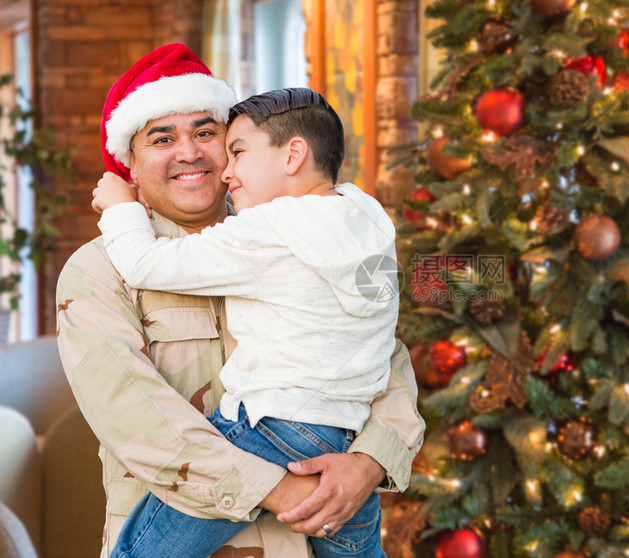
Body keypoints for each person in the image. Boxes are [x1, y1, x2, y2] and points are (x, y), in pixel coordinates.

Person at [56, 43, 423, 558]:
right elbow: (134, 416)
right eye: (162, 138)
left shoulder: (301, 235)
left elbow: (381, 354)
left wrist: (368, 463)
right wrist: (285, 489)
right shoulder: (98, 271)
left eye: (207, 133)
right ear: (130, 166)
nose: (189, 152)